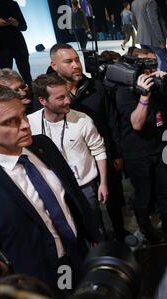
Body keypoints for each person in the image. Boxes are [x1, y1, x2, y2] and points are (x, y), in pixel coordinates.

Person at [0, 83, 100, 291]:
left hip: (79, 254)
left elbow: (73, 195)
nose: (25, 125)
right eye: (10, 122)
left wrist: (91, 234)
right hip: (35, 279)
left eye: (23, 115)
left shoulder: (43, 145)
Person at [49, 44, 129, 242]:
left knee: (114, 196)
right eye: (69, 62)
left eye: (77, 60)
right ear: (54, 65)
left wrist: (117, 154)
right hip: (72, 160)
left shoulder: (97, 87)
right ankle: (96, 240)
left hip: (103, 153)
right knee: (85, 204)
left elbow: (112, 123)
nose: (76, 65)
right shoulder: (46, 92)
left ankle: (120, 231)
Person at [115, 48, 167, 243]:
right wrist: (144, 96)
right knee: (144, 196)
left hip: (160, 147)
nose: (151, 68)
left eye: (153, 63)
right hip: (137, 152)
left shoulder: (158, 84)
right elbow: (137, 124)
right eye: (146, 64)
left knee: (165, 191)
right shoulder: (125, 89)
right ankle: (146, 228)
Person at [29, 73, 108, 239]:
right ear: (43, 100)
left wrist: (103, 183)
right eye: (60, 98)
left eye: (67, 95)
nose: (68, 101)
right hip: (52, 191)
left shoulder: (82, 120)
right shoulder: (30, 123)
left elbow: (99, 150)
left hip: (85, 188)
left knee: (94, 230)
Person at [0, 0, 32, 84]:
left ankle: (32, 93)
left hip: (18, 44)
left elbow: (24, 26)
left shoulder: (13, 4)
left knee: (26, 74)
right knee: (6, 78)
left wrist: (16, 23)